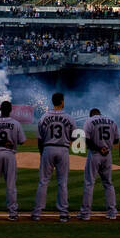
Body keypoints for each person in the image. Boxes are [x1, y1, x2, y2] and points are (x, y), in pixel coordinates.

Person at [32, 92, 76, 222]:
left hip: (48, 148)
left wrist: (42, 153)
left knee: (43, 181)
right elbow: (74, 136)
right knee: (62, 182)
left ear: (52, 102)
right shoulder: (69, 118)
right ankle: (63, 213)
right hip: (63, 149)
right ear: (62, 101)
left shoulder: (44, 117)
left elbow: (39, 139)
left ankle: (37, 213)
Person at [81, 107, 118, 220]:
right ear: (100, 113)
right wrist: (106, 147)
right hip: (108, 155)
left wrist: (99, 147)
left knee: (89, 183)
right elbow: (116, 140)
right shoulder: (111, 121)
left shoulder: (89, 121)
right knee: (108, 183)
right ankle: (112, 212)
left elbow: (86, 140)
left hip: (95, 154)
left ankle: (86, 213)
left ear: (91, 115)